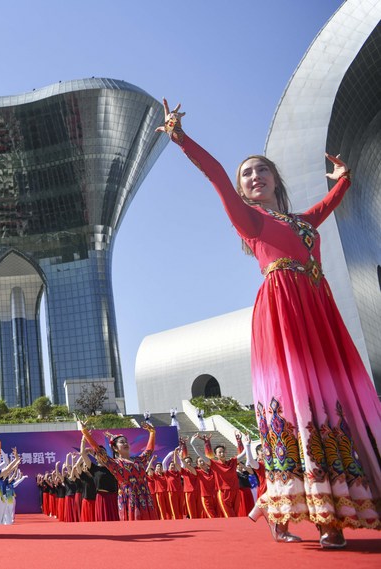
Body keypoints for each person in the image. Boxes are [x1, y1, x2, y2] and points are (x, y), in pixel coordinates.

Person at [162, 100, 381, 547]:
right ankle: (322, 516)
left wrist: (344, 181)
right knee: (300, 402)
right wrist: (182, 139)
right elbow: (217, 173)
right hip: (282, 313)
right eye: (248, 174)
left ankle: (329, 503)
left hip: (319, 311)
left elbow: (326, 205)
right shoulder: (250, 220)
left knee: (331, 400)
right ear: (242, 191)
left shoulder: (301, 222)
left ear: (276, 179)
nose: (254, 176)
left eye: (261, 170)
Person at [80, 422, 157, 521]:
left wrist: (152, 433)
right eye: (122, 442)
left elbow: (149, 450)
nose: (125, 443)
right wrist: (85, 433)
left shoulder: (140, 460)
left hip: (145, 497)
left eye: (126, 441)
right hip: (129, 499)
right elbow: (98, 451)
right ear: (115, 448)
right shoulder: (115, 464)